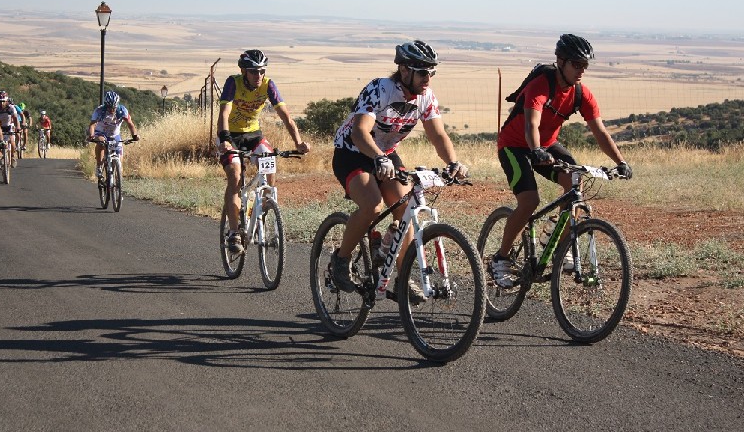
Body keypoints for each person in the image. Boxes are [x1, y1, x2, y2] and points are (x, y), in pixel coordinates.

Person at [491, 33, 633, 288]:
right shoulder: (541, 85)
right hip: (515, 145)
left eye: (584, 65)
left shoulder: (581, 94)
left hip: (546, 145)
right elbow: (531, 123)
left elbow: (600, 132)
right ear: (560, 61)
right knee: (529, 200)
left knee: (575, 183)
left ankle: (559, 244)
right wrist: (536, 150)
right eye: (576, 64)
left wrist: (621, 162)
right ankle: (501, 258)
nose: (581, 71)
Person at [330, 40, 469, 298]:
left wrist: (453, 163)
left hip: (386, 154)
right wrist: (378, 158)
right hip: (352, 151)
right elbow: (360, 132)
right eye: (422, 72)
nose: (428, 78)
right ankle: (341, 259)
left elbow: (438, 135)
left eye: (431, 72)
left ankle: (401, 276)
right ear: (404, 70)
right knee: (372, 205)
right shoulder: (380, 89)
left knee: (406, 208)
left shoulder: (426, 97)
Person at [216, 49, 311, 254]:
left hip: (254, 135)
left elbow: (286, 117)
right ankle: (233, 232)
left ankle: (264, 210)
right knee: (235, 176)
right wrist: (224, 139)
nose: (258, 75)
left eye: (261, 71)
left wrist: (298, 142)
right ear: (243, 71)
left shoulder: (268, 85)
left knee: (269, 167)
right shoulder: (233, 83)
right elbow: (224, 112)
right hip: (230, 136)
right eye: (253, 71)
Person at [88, 91, 140, 179]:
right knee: (101, 142)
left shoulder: (122, 110)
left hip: (114, 134)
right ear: (106, 105)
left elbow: (130, 124)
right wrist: (91, 136)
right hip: (101, 133)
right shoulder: (99, 110)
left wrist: (134, 135)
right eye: (109, 107)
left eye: (114, 107)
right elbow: (92, 125)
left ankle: (117, 179)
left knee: (119, 158)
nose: (112, 110)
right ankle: (99, 166)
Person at [0, 91, 21, 169]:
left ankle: (12, 156)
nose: (2, 103)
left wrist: (18, 127)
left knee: (11, 141)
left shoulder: (11, 107)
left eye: (3, 101)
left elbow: (15, 118)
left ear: (6, 100)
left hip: (8, 126)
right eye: (0, 101)